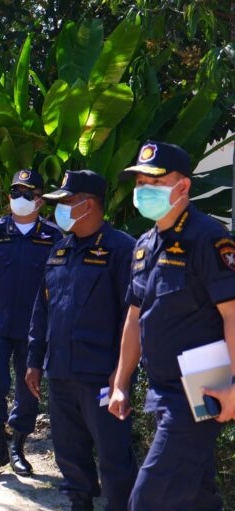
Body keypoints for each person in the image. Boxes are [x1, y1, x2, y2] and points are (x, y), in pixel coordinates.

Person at [109, 141, 235, 510]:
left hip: (200, 387)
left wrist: (232, 385)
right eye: (140, 182)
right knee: (195, 495)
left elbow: (232, 314)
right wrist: (121, 383)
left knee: (148, 499)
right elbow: (135, 317)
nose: (144, 189)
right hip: (161, 389)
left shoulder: (208, 237)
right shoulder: (144, 245)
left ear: (183, 186)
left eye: (155, 181)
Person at [25, 170, 138, 511]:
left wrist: (122, 373)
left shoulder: (122, 250)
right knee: (68, 450)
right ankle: (80, 502)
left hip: (101, 375)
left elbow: (132, 318)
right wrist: (34, 360)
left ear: (88, 205)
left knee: (113, 455)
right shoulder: (59, 250)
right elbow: (42, 309)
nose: (59, 209)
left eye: (67, 202)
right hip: (60, 371)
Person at [0, 169, 62, 476]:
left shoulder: (53, 236)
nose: (20, 199)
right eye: (15, 193)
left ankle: (18, 449)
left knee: (28, 390)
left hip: (33, 329)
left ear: (40, 200)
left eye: (27, 194)